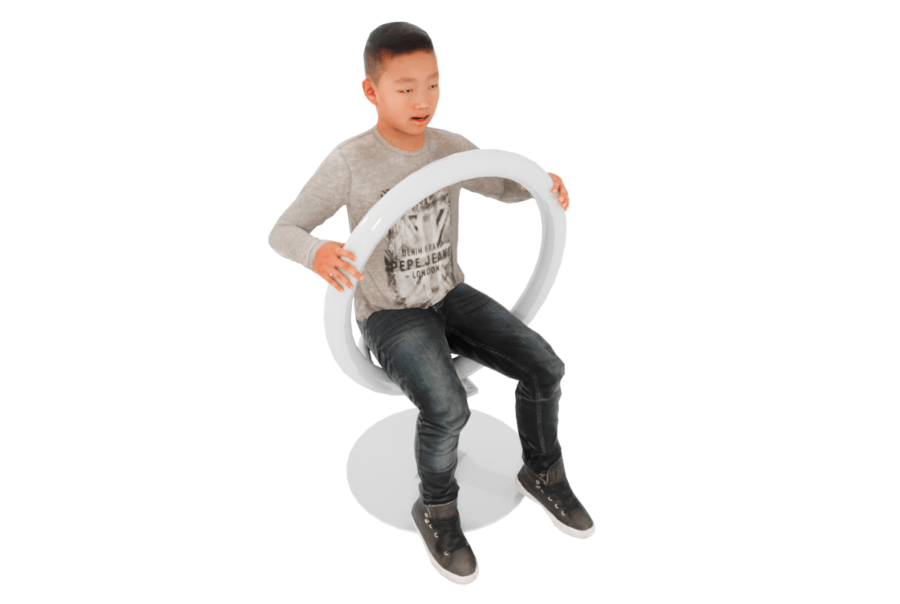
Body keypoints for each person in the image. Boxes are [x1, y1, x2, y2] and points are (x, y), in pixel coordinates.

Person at [268, 22, 591, 585]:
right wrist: (316, 252)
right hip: (391, 315)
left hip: (449, 295)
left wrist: (541, 185)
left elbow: (502, 184)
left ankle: (543, 472)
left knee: (546, 367)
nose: (423, 100)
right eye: (406, 88)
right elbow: (283, 230)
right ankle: (436, 509)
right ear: (371, 91)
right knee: (448, 408)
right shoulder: (351, 160)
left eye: (433, 85)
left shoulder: (448, 148)